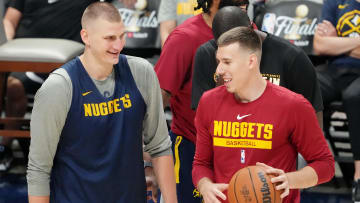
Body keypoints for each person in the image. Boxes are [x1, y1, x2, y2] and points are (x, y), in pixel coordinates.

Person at [27, 2, 177, 203]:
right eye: (109, 38)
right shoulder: (58, 88)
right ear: (85, 37)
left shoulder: (142, 72)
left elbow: (159, 146)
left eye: (121, 36)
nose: (118, 45)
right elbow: (39, 168)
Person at [192, 26, 335, 203]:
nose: (219, 70)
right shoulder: (208, 102)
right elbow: (201, 164)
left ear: (251, 61)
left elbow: (325, 165)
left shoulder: (293, 106)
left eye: (227, 62)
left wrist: (289, 180)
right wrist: (205, 186)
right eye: (218, 61)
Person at [0, 0, 113, 172]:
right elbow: (9, 20)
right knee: (14, 86)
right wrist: (8, 45)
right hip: (27, 56)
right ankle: (5, 146)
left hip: (70, 60)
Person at [155, 0, 248, 202]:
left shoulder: (250, 31)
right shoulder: (184, 38)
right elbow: (158, 97)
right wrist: (148, 155)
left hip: (242, 147)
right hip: (193, 146)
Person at [191, 6, 324, 128]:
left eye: (238, 46)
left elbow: (313, 110)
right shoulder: (207, 54)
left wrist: (312, 152)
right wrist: (220, 87)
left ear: (251, 28)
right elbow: (203, 118)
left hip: (276, 143)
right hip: (228, 141)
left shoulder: (291, 57)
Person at [313, 0, 360, 202]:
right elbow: (320, 45)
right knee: (304, 87)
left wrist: (337, 41)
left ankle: (359, 176)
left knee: (355, 97)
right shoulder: (335, 2)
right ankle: (309, 165)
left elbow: (329, 44)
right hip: (333, 71)